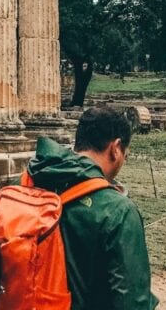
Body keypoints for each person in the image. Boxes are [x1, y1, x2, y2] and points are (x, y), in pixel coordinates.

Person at [25, 104, 158, 310]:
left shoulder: (28, 183)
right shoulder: (118, 211)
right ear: (115, 148)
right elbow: (132, 301)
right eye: (126, 154)